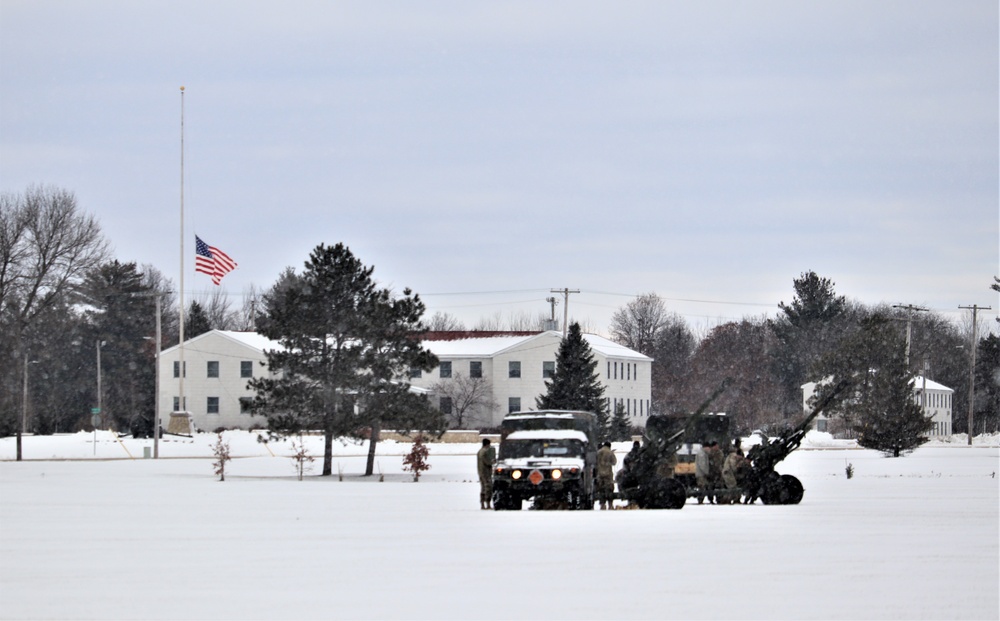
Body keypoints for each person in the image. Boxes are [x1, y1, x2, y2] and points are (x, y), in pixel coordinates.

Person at [596, 441, 617, 510]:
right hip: (608, 474)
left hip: (599, 474)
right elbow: (614, 462)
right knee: (609, 489)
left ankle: (602, 505)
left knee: (601, 490)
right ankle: (610, 505)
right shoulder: (610, 452)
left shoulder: (598, 452)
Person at [477, 438, 496, 510]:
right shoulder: (484, 452)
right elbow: (486, 462)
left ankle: (482, 504)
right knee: (488, 487)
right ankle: (487, 503)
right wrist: (492, 462)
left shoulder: (480, 451)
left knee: (483, 488)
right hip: (485, 472)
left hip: (481, 472)